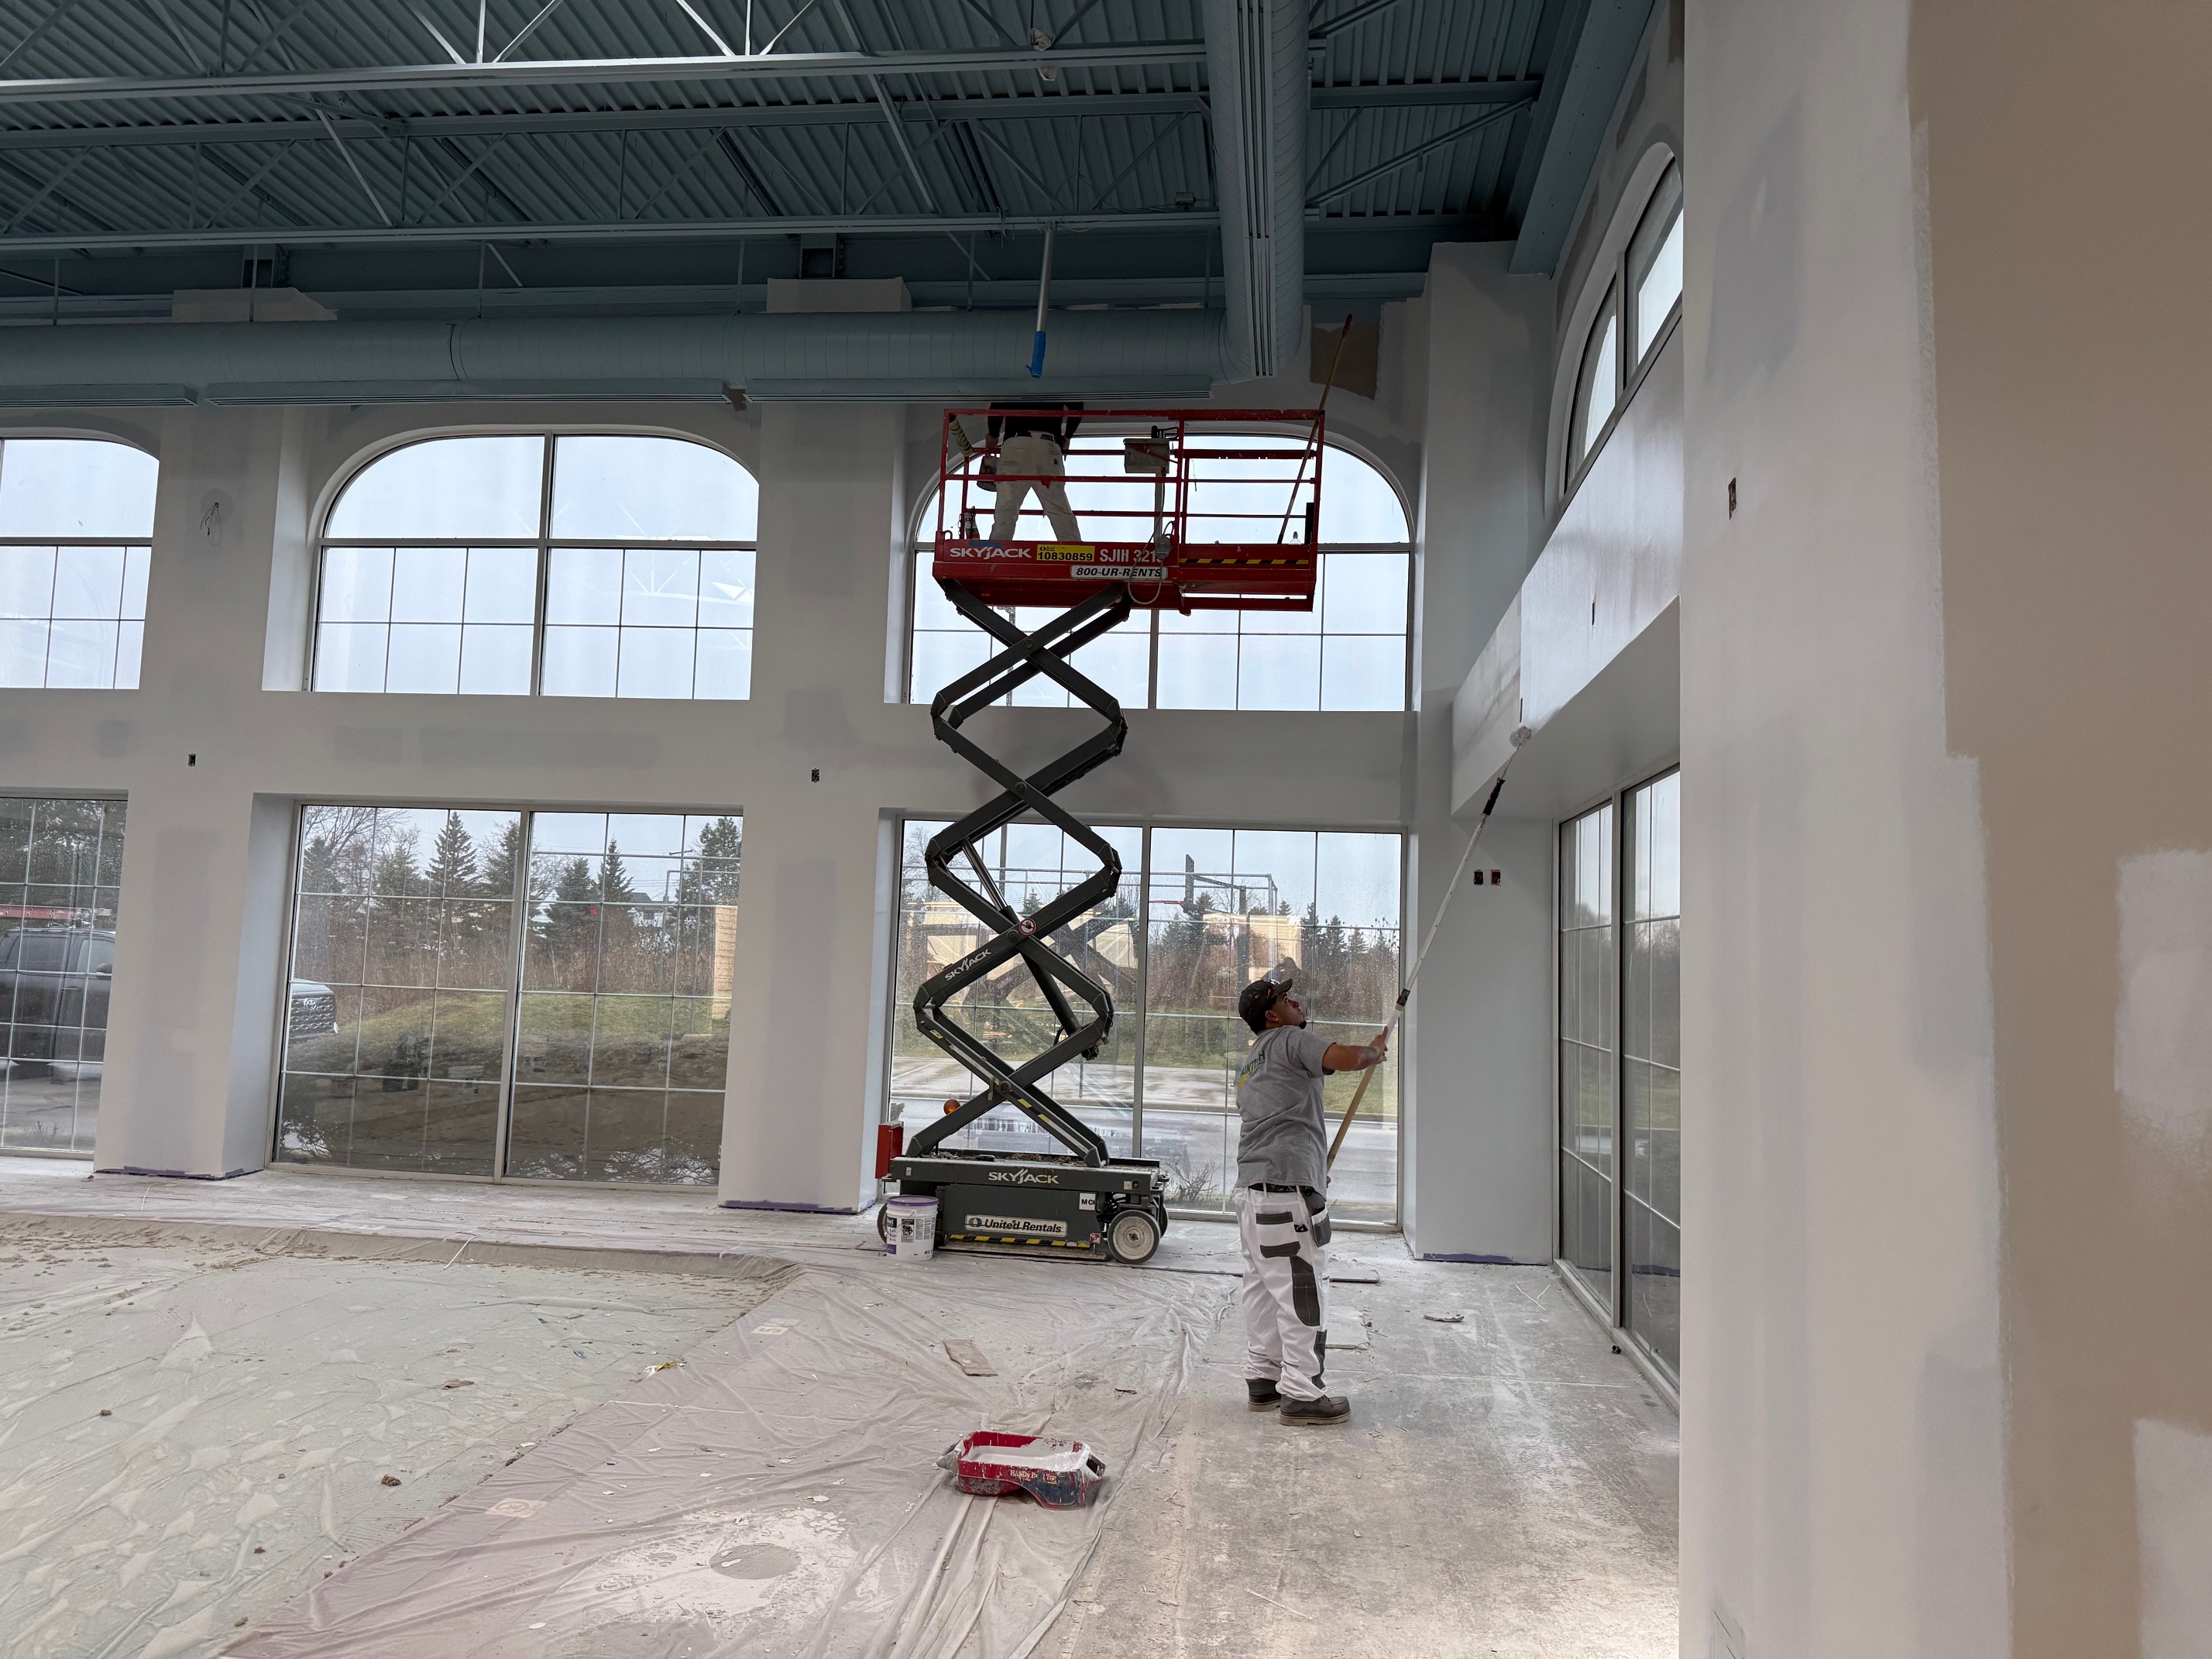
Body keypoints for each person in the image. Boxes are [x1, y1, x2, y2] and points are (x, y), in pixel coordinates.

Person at [1231, 969, 1389, 1426]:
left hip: (1253, 1192)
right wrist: (1374, 1051)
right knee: (1302, 1289)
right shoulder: (1288, 1041)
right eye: (1286, 998)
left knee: (1262, 1289)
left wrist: (1312, 1169)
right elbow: (1344, 1057)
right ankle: (1301, 1392)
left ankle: (1263, 1380)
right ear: (1272, 1015)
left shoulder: (1252, 1062)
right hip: (1283, 1195)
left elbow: (1281, 1122)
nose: (1296, 1003)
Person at [987, 400, 1084, 543]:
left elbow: (997, 408)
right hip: (1048, 446)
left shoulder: (1015, 384)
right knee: (1057, 507)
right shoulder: (1058, 384)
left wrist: (993, 436)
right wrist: (1068, 436)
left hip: (1016, 445)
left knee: (1007, 506)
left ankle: (996, 552)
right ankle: (1075, 550)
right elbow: (1077, 407)